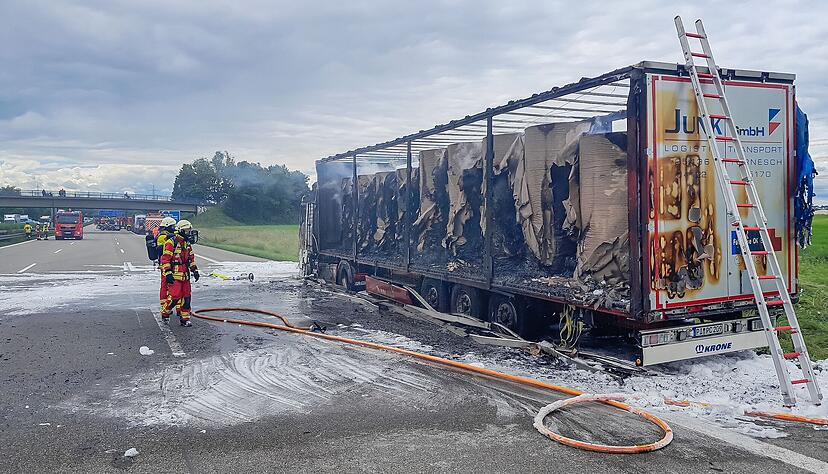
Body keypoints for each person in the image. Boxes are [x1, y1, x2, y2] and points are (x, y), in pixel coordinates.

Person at [160, 219, 199, 327]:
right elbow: (165, 259)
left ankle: (185, 319)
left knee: (187, 298)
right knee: (174, 297)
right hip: (175, 275)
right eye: (187, 231)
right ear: (180, 230)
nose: (189, 233)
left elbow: (191, 258)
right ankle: (165, 312)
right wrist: (168, 274)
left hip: (185, 275)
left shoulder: (187, 243)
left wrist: (195, 270)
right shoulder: (171, 242)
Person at [154, 217, 178, 323]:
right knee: (164, 286)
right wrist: (170, 239)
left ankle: (175, 307)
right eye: (173, 226)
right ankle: (164, 306)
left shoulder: (171, 235)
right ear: (168, 226)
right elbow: (161, 249)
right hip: (164, 264)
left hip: (172, 264)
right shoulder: (162, 236)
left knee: (174, 286)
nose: (174, 228)